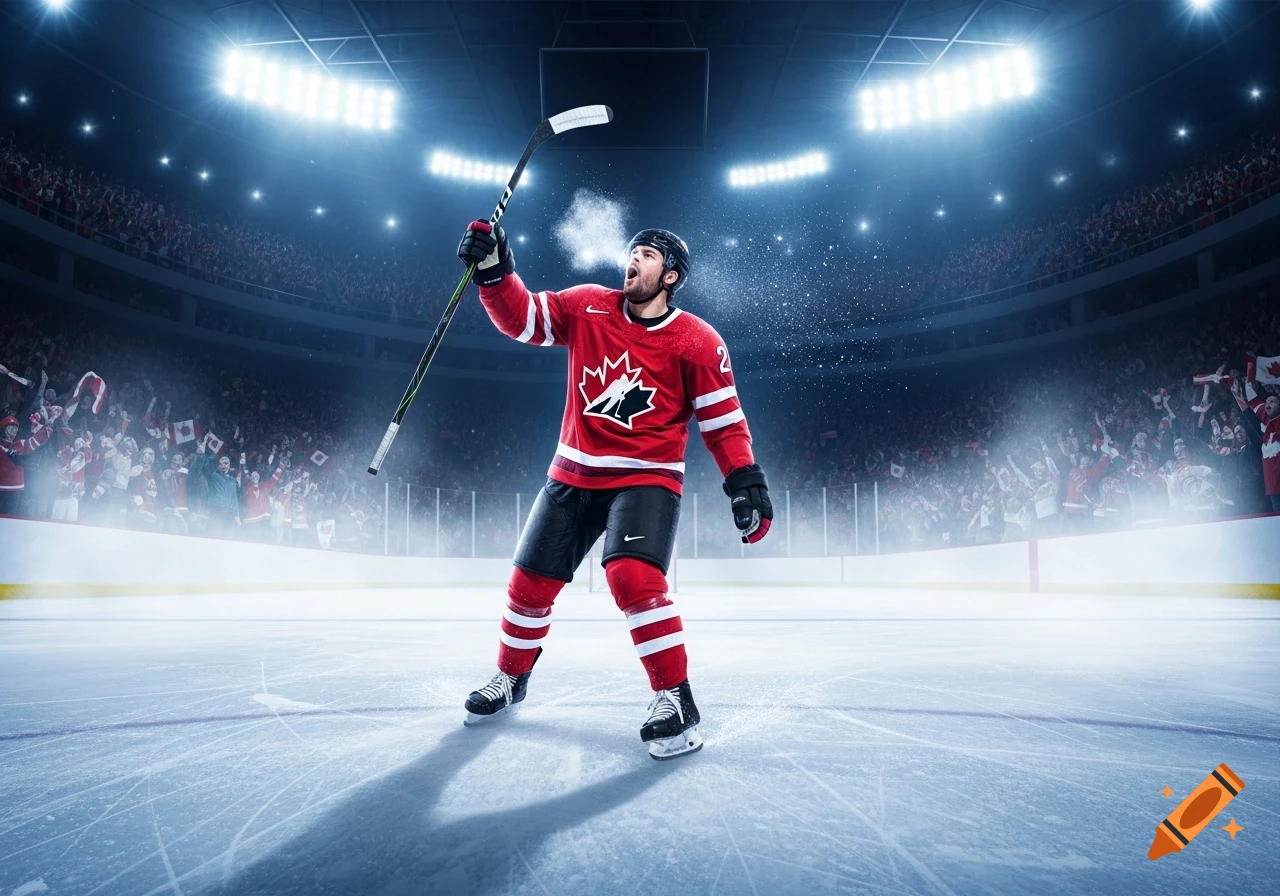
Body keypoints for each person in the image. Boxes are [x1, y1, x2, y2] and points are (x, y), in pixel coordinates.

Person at [455, 220, 773, 760]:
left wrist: (745, 483)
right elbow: (524, 319)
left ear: (670, 276)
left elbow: (722, 423)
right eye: (632, 253)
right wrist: (494, 271)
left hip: (646, 476)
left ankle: (676, 698)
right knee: (527, 586)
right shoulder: (588, 306)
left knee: (632, 576)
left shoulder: (697, 341)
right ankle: (511, 678)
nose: (634, 261)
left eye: (647, 256)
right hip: (572, 473)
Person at [0, 413, 54, 516]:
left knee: (13, 520)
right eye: (10, 428)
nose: (13, 431)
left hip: (17, 490)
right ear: (3, 429)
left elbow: (35, 441)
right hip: (1, 490)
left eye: (15, 429)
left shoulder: (19, 445)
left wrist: (41, 427)